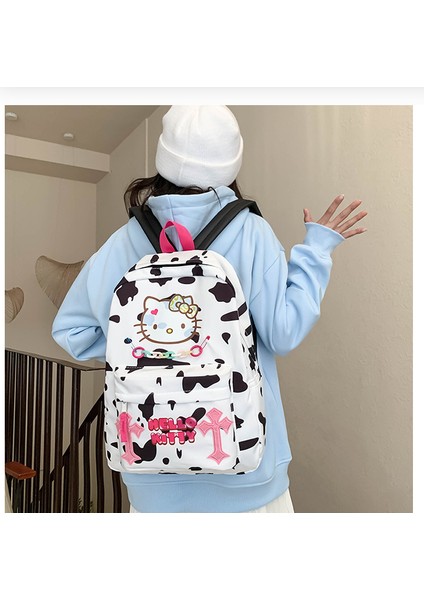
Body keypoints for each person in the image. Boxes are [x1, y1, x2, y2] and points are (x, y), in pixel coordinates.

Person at [52, 105, 367, 513]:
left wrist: (146, 352)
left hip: (151, 476)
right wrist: (317, 251)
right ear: (230, 164)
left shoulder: (123, 242)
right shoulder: (250, 232)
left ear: (163, 160)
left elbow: (72, 332)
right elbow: (283, 333)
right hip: (246, 470)